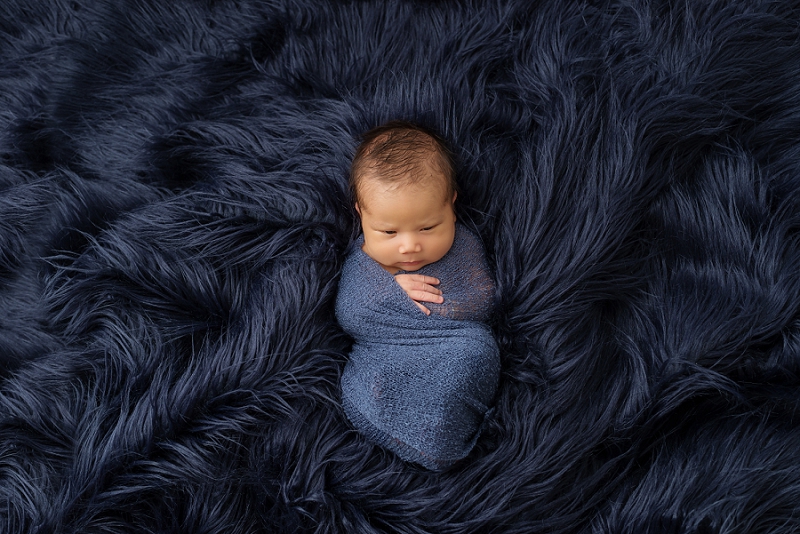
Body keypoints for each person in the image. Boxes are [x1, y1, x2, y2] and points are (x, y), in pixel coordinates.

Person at [336, 121, 500, 470]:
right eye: (389, 231)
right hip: (387, 358)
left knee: (476, 349)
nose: (409, 245)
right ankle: (384, 412)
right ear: (361, 215)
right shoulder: (362, 260)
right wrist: (388, 294)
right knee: (377, 381)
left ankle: (441, 430)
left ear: (451, 206)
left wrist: (442, 308)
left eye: (428, 227)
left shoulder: (464, 245)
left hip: (451, 347)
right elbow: (350, 314)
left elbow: (484, 298)